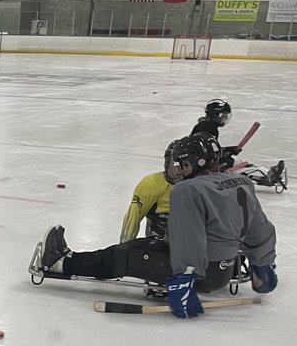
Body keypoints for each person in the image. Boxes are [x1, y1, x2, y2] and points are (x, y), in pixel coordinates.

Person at [30, 135, 277, 318]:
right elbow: (260, 228)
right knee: (142, 245)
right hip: (225, 269)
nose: (178, 170)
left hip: (202, 274)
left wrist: (184, 279)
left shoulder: (187, 190)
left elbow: (187, 238)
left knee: (125, 254)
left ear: (194, 163)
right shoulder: (240, 181)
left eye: (182, 164)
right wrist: (262, 265)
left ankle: (61, 263)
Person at [189, 99, 286, 188]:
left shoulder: (205, 125)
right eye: (223, 116)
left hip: (198, 162)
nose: (224, 119)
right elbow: (208, 152)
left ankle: (263, 175)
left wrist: (229, 150)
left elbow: (209, 148)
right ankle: (265, 176)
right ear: (216, 115)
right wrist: (228, 152)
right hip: (202, 166)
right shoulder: (209, 127)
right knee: (237, 164)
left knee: (235, 162)